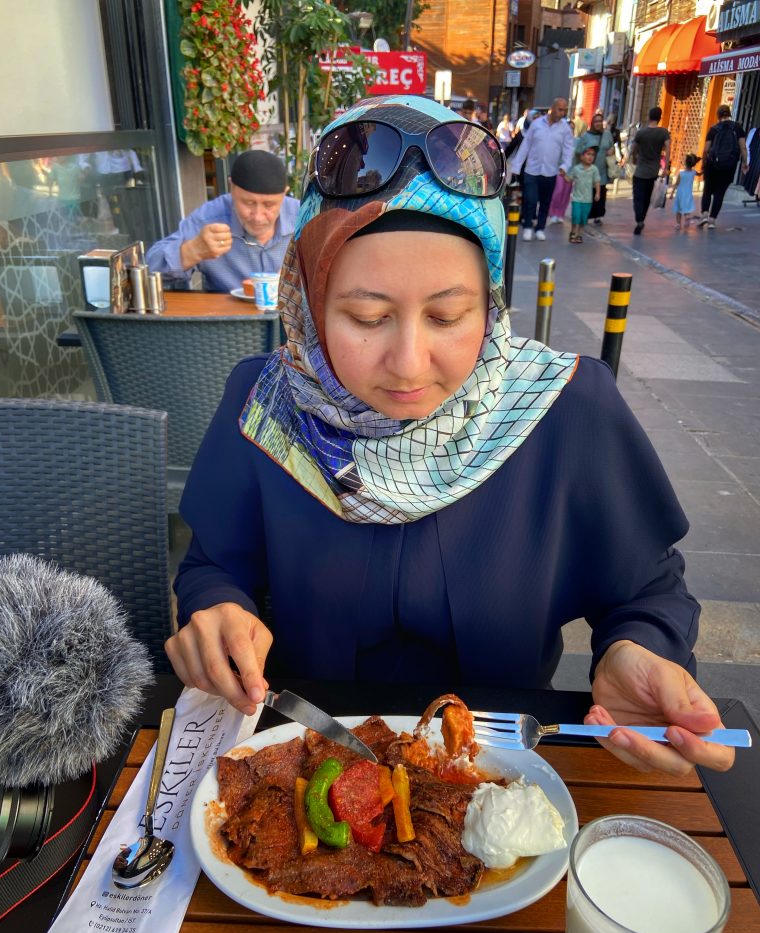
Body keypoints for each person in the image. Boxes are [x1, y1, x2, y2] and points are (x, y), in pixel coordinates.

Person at [166, 94, 735, 779]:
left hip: (506, 786)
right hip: (301, 769)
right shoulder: (266, 407)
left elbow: (648, 590)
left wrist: (638, 650)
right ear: (311, 305)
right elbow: (212, 564)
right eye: (366, 317)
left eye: (447, 316)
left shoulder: (561, 410)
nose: (408, 363)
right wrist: (214, 610)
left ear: (490, 300)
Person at [146, 150, 300, 292]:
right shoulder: (209, 218)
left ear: (284, 194)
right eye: (248, 203)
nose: (258, 216)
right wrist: (192, 250)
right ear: (231, 187)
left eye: (269, 205)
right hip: (230, 318)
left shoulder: (303, 218)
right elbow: (149, 269)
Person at [509, 97, 574, 240]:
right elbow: (526, 145)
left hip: (550, 172)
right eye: (560, 109)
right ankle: (527, 226)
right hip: (532, 169)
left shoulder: (565, 129)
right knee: (530, 199)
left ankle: (540, 228)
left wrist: (564, 166)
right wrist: (517, 166)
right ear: (552, 108)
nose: (562, 113)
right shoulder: (536, 124)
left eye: (564, 110)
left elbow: (569, 149)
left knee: (545, 202)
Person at [699, 105, 749, 229]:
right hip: (728, 165)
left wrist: (704, 163)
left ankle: (704, 214)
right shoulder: (737, 128)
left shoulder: (713, 129)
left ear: (718, 115)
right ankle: (712, 220)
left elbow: (706, 150)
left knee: (707, 190)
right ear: (729, 114)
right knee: (719, 192)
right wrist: (745, 162)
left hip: (712, 164)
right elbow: (743, 147)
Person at [629, 106, 670, 236]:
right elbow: (668, 148)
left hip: (640, 170)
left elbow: (633, 148)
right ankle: (642, 218)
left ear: (649, 116)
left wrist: (634, 157)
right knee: (646, 197)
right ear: (659, 118)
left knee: (638, 197)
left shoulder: (641, 132)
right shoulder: (663, 132)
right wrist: (666, 167)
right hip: (653, 171)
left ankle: (639, 219)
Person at [574, 111, 614, 225]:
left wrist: (612, 150)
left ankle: (598, 215)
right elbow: (577, 151)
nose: (598, 123)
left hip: (602, 169)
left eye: (600, 121)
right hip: (588, 169)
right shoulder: (586, 136)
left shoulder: (607, 134)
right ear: (592, 123)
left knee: (600, 193)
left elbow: (612, 147)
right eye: (596, 121)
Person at [566, 146, 601, 243]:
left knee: (583, 218)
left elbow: (597, 182)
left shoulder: (594, 169)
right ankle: (573, 232)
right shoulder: (576, 169)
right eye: (588, 154)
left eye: (592, 155)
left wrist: (598, 193)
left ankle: (579, 234)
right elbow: (569, 179)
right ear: (581, 157)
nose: (590, 157)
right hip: (577, 198)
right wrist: (563, 174)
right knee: (576, 216)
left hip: (587, 200)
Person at [670, 153, 700, 229]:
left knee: (678, 210)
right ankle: (687, 218)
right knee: (686, 208)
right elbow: (699, 174)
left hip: (680, 193)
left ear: (685, 163)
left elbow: (676, 184)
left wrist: (671, 193)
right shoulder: (693, 172)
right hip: (688, 193)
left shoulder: (681, 173)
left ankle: (678, 224)